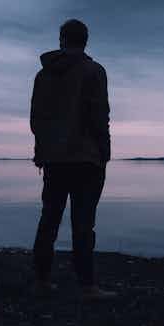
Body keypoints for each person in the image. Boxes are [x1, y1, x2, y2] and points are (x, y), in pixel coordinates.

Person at [30, 19, 116, 300]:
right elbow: (99, 116)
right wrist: (105, 153)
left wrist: (41, 151)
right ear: (86, 40)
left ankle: (41, 281)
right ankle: (87, 286)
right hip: (85, 160)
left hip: (54, 160)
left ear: (61, 40)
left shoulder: (43, 75)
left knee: (49, 221)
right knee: (83, 224)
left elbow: (37, 120)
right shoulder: (94, 71)